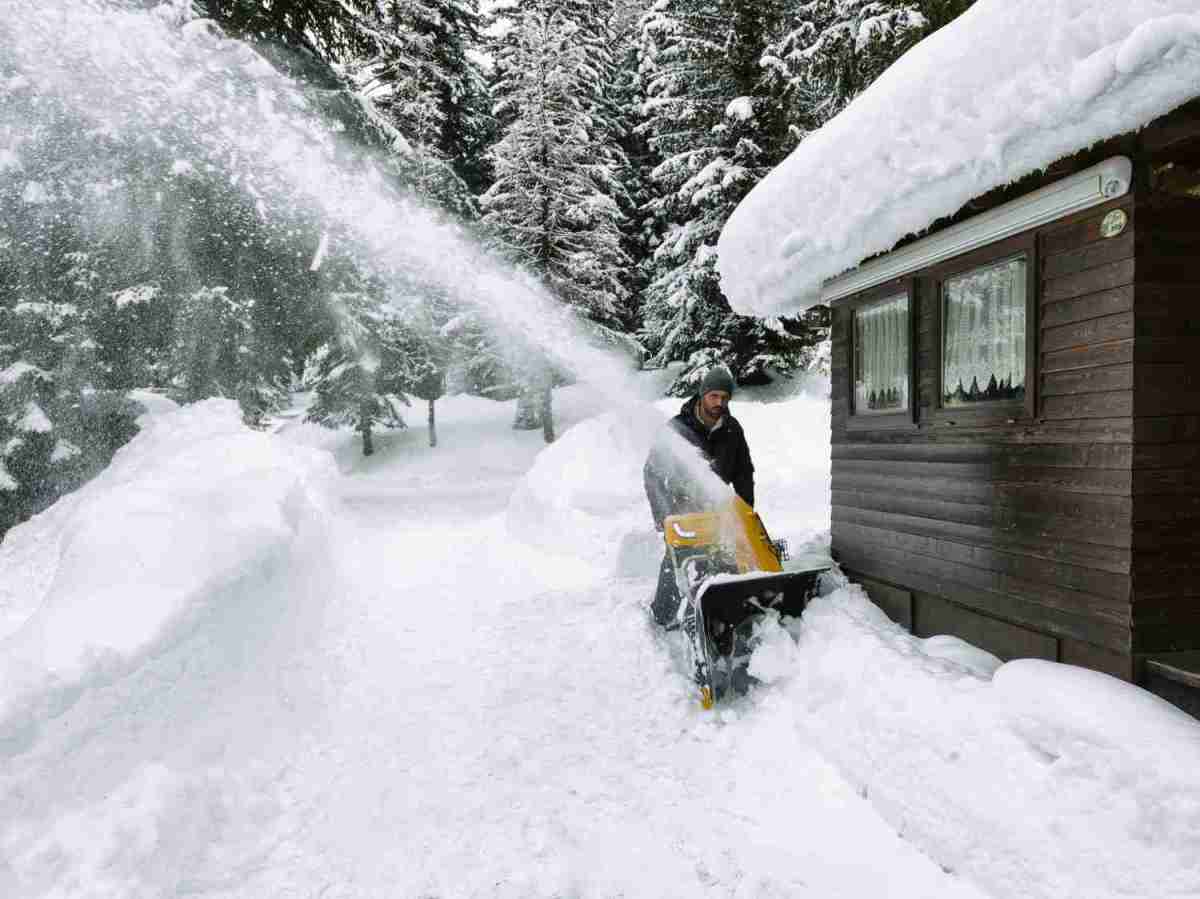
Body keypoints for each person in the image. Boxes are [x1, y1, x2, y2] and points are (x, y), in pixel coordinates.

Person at [643, 365, 755, 627]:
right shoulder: (677, 428)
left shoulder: (732, 429)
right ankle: (664, 615)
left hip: (718, 508)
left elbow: (743, 472)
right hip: (683, 510)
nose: (720, 403)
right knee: (678, 561)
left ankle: (719, 616)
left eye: (725, 397)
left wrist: (746, 512)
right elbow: (652, 474)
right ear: (702, 395)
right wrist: (663, 515)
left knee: (726, 558)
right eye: (714, 396)